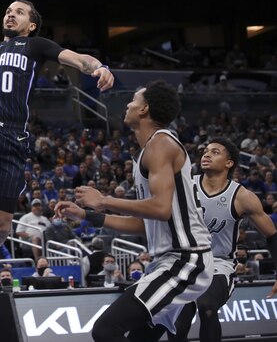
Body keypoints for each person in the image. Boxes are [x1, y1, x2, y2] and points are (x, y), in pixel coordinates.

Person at [0, 0, 114, 300]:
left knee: (2, 228)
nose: (10, 14)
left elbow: (77, 58)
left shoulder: (36, 46)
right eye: (7, 11)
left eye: (19, 12)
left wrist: (99, 67)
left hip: (13, 140)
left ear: (31, 25)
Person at [56, 80, 213, 341]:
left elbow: (161, 209)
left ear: (144, 109)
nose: (128, 104)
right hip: (169, 262)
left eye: (134, 100)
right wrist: (87, 215)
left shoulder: (161, 145)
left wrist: (103, 200)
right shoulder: (150, 150)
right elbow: (144, 224)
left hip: (186, 260)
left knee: (106, 330)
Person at [170, 138, 277, 342]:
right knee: (177, 324)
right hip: (185, 262)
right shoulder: (185, 186)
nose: (207, 154)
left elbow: (272, 235)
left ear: (229, 163)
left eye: (215, 152)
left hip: (219, 264)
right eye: (206, 151)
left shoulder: (241, 196)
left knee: (207, 307)